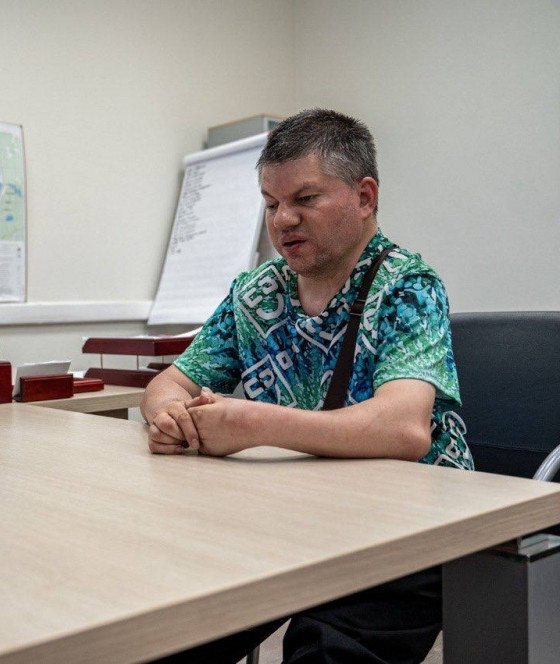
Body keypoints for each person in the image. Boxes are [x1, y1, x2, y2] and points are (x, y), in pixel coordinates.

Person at [142, 109, 472, 664]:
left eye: (305, 199)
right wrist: (170, 416)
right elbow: (170, 382)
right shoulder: (256, 292)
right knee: (166, 631)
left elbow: (405, 429)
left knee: (322, 653)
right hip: (291, 518)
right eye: (271, 203)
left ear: (364, 197)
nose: (283, 220)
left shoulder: (408, 287)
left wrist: (253, 424)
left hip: (406, 529)